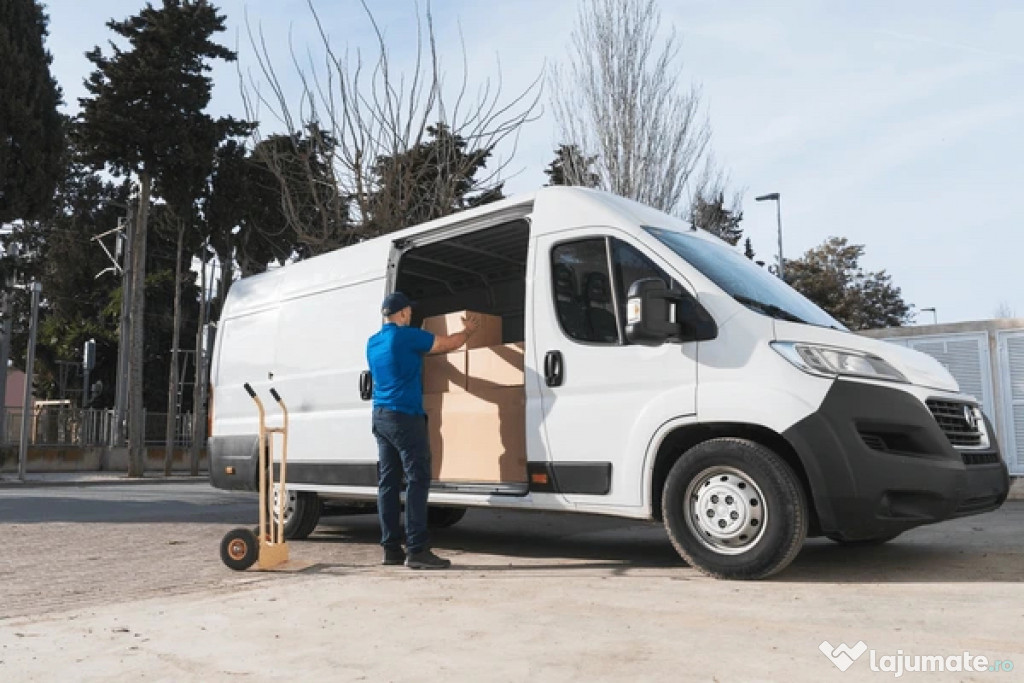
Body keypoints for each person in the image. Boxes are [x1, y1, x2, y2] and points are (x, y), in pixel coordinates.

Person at [365, 291, 479, 569]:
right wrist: (468, 332)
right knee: (417, 479)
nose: (411, 316)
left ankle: (391, 549)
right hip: (405, 416)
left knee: (388, 483)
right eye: (409, 312)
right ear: (402, 313)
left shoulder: (373, 342)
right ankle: (417, 549)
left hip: (380, 416)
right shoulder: (407, 336)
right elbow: (446, 344)